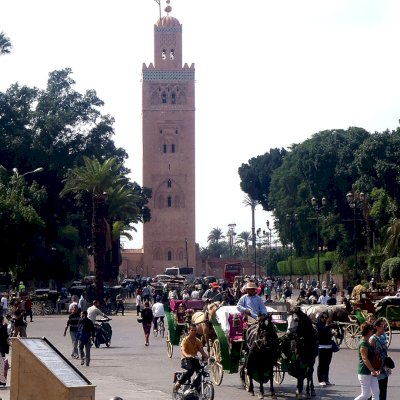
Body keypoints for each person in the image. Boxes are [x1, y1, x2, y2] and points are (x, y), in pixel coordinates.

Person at [174, 323, 209, 392]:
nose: (194, 332)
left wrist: (209, 358)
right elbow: (183, 350)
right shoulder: (185, 340)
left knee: (202, 371)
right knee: (191, 370)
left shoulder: (198, 341)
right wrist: (187, 355)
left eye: (195, 330)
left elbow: (202, 352)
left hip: (195, 359)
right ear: (189, 331)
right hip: (186, 360)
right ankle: (179, 383)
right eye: (192, 330)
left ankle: (195, 387)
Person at [354, 323, 380, 400]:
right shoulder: (363, 343)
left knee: (376, 392)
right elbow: (365, 359)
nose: (373, 331)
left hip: (371, 371)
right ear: (369, 331)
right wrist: (372, 370)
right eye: (372, 329)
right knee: (365, 395)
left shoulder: (367, 341)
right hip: (364, 372)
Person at [370, 318, 390, 400]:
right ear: (377, 327)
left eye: (385, 325)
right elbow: (370, 354)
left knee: (383, 390)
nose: (385, 327)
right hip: (376, 366)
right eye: (383, 326)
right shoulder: (373, 339)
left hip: (384, 367)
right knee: (376, 391)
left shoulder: (384, 336)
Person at [316, 313, 334, 386]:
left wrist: (334, 333)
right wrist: (327, 325)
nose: (324, 319)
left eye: (326, 317)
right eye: (322, 317)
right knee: (321, 364)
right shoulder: (318, 325)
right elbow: (322, 332)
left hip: (329, 347)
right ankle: (320, 380)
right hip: (321, 347)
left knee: (327, 364)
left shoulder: (328, 326)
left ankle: (326, 379)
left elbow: (328, 334)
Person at [0, 316, 9, 386]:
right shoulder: (3, 327)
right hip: (2, 348)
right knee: (2, 365)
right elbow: (6, 337)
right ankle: (2, 381)